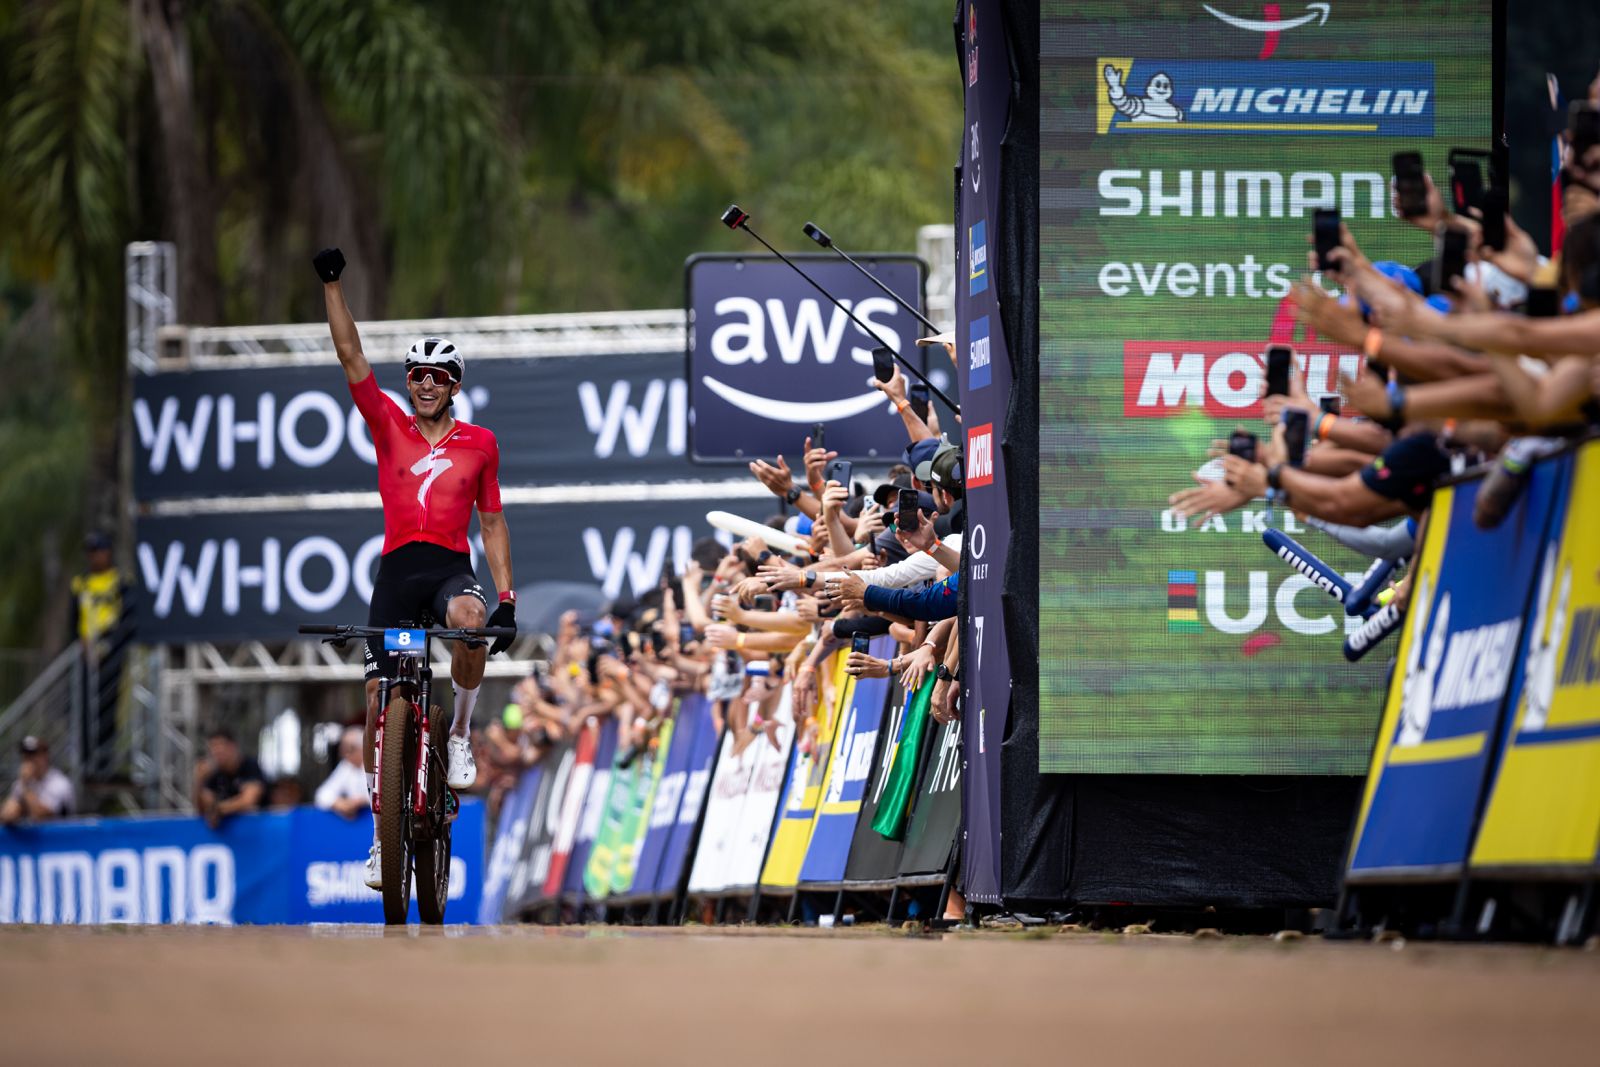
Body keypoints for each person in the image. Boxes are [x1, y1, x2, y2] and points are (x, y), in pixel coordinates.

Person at [314, 245, 517, 891]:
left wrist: (505, 596)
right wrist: (332, 284)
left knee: (470, 620)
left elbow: (490, 523)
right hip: (397, 574)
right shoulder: (388, 424)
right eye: (417, 373)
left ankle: (458, 731)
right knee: (376, 699)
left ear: (455, 384)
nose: (426, 382)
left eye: (439, 374)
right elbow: (351, 355)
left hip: (449, 568)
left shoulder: (480, 444)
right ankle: (381, 839)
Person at [193, 728, 267, 828]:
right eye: (213, 747)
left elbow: (248, 801)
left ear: (233, 746)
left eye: (221, 745)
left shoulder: (249, 766)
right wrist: (199, 781)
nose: (217, 751)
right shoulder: (214, 774)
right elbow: (204, 808)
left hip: (258, 829)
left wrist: (219, 810)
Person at [1, 737, 76, 825]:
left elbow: (40, 815)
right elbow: (6, 815)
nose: (29, 760)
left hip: (61, 836)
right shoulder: (21, 783)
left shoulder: (59, 783)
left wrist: (26, 787)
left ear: (45, 756)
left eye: (33, 755)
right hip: (32, 838)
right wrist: (14, 811)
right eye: (26, 756)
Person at [313, 726, 371, 819]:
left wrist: (361, 801)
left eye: (349, 750)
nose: (344, 754)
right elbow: (321, 794)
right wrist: (339, 804)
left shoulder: (376, 764)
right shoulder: (346, 766)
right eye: (343, 750)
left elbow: (387, 796)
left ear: (362, 748)